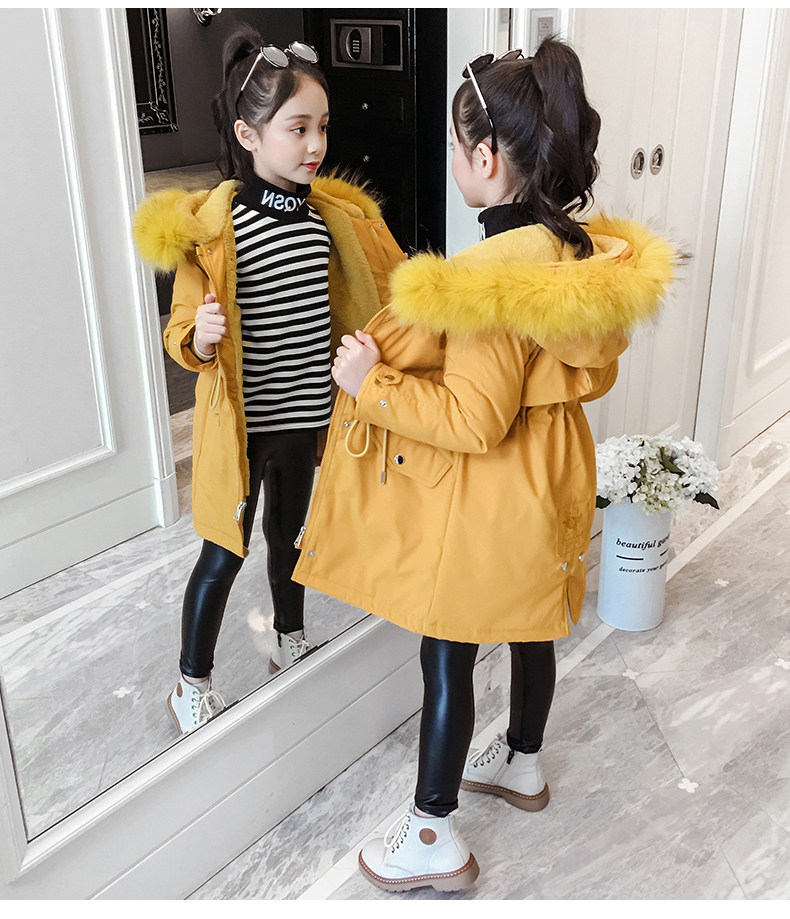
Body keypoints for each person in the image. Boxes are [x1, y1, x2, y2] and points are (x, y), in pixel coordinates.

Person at [292, 37, 676, 892]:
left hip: (494, 491)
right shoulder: (570, 251)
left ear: (487, 156)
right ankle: (523, 762)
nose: (452, 160)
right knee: (533, 623)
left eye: (455, 146)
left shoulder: (487, 279)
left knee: (448, 647)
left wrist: (370, 381)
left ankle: (431, 832)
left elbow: (471, 418)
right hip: (553, 472)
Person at [133, 25, 404, 736]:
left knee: (293, 538)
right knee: (224, 550)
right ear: (249, 135)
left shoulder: (327, 224)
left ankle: (290, 635)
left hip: (307, 416)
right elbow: (180, 332)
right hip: (244, 426)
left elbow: (365, 298)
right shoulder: (215, 231)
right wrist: (199, 336)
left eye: (323, 127)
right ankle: (191, 681)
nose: (316, 144)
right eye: (298, 128)